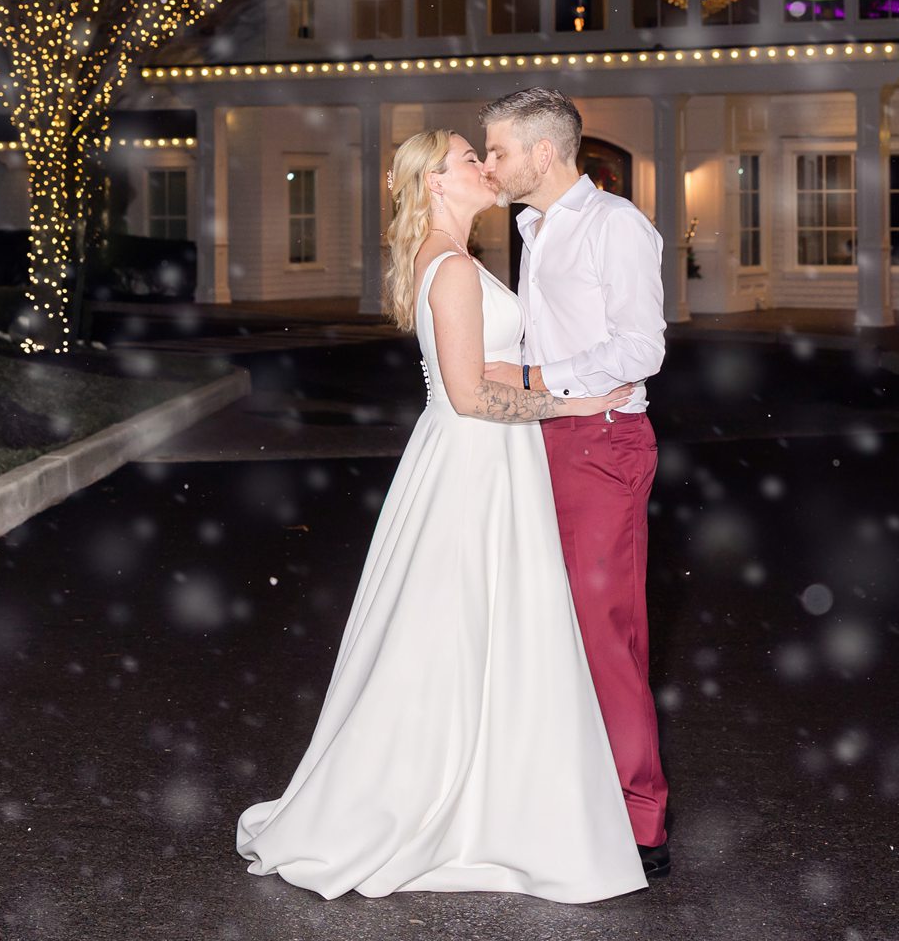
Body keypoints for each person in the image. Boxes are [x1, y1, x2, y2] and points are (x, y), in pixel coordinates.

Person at [236, 128, 647, 903]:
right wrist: (577, 402)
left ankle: (485, 798)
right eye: (469, 158)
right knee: (457, 632)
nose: (485, 167)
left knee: (468, 631)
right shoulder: (452, 267)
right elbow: (470, 396)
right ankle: (441, 803)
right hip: (475, 459)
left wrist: (547, 378)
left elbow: (480, 371)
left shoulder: (451, 259)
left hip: (482, 456)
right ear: (434, 184)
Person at [479, 87, 672, 880]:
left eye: (497, 150)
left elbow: (642, 350)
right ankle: (572, 802)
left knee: (605, 635)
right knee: (549, 632)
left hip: (602, 445)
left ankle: (641, 824)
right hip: (542, 439)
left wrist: (532, 374)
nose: (491, 164)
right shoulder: (534, 226)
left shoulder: (616, 227)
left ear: (544, 152)